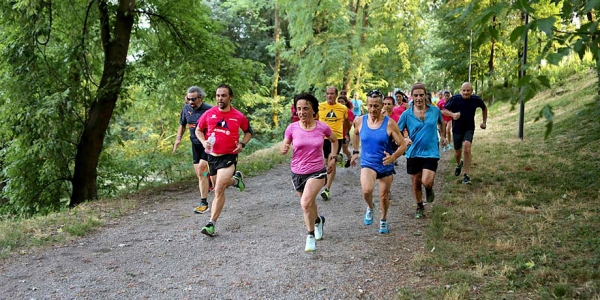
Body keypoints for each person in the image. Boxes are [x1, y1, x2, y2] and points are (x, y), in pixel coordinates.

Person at [281, 93, 338, 252]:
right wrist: (284, 148)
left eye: (305, 108)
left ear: (313, 110)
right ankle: (319, 221)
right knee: (309, 204)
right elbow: (285, 144)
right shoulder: (292, 128)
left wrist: (332, 158)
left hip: (317, 172)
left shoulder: (322, 127)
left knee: (305, 203)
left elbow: (334, 141)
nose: (301, 112)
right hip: (297, 172)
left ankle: (310, 235)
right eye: (298, 109)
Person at [195, 84, 253, 237]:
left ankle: (211, 224)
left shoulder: (238, 116)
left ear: (230, 97)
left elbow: (248, 132)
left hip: (229, 156)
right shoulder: (209, 114)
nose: (220, 98)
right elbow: (198, 130)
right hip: (212, 156)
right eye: (218, 95)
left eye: (223, 95)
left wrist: (242, 144)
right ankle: (235, 180)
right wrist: (203, 142)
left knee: (219, 188)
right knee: (217, 186)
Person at [350, 89, 406, 234]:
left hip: (385, 164)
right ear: (366, 105)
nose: (373, 109)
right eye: (370, 105)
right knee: (366, 190)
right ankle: (370, 207)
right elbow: (355, 133)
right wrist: (356, 152)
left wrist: (393, 157)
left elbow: (403, 145)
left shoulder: (390, 124)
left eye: (376, 106)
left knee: (383, 196)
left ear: (382, 106)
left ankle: (383, 219)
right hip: (368, 163)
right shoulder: (359, 121)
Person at [398, 83, 447, 219]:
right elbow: (397, 131)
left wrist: (443, 136)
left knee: (427, 181)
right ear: (412, 97)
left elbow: (441, 123)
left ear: (425, 95)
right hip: (413, 152)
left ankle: (429, 188)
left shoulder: (435, 111)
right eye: (416, 95)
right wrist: (405, 138)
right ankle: (420, 206)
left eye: (421, 95)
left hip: (431, 151)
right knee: (416, 181)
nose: (419, 98)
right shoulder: (406, 114)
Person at [173, 86, 213, 214]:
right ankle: (211, 179)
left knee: (202, 169)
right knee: (201, 175)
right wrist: (178, 139)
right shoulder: (186, 109)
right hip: (195, 144)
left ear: (200, 98)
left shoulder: (210, 109)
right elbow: (182, 125)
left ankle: (203, 203)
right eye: (189, 99)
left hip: (207, 145)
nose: (191, 102)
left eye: (193, 99)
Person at [442, 82, 487, 185]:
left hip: (469, 128)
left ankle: (466, 175)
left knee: (467, 148)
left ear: (472, 91)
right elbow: (443, 110)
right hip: (457, 129)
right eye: (464, 90)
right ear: (460, 90)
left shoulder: (476, 99)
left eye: (468, 90)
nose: (466, 93)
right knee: (457, 153)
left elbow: (484, 108)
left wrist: (484, 122)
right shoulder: (455, 99)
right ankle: (459, 164)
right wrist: (453, 115)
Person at [318, 86, 350, 201]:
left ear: (336, 95)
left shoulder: (342, 108)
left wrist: (346, 134)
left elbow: (347, 122)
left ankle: (327, 189)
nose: (329, 96)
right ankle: (336, 157)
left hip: (337, 138)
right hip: (323, 139)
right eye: (327, 93)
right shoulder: (320, 107)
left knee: (332, 162)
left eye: (332, 94)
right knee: (326, 161)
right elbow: (315, 120)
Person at [337, 95, 355, 168]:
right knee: (334, 150)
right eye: (339, 102)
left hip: (345, 133)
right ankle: (337, 161)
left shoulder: (349, 112)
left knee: (345, 150)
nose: (341, 103)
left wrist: (347, 134)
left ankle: (350, 158)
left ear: (345, 102)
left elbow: (350, 123)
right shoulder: (335, 110)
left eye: (342, 102)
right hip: (336, 133)